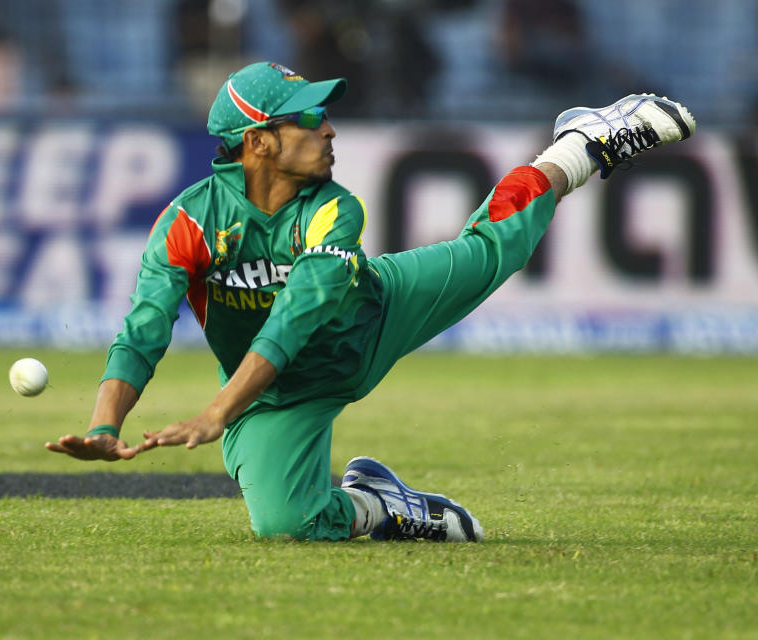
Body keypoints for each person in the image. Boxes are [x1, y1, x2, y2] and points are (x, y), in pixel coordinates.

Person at [47, 62, 695, 542]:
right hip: (278, 393)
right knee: (286, 525)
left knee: (499, 246)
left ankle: (583, 144)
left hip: (376, 312)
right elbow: (144, 329)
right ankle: (385, 506)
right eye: (307, 119)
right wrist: (106, 425)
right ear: (259, 141)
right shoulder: (188, 222)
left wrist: (215, 411)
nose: (328, 129)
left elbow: (295, 317)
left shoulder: (334, 207)